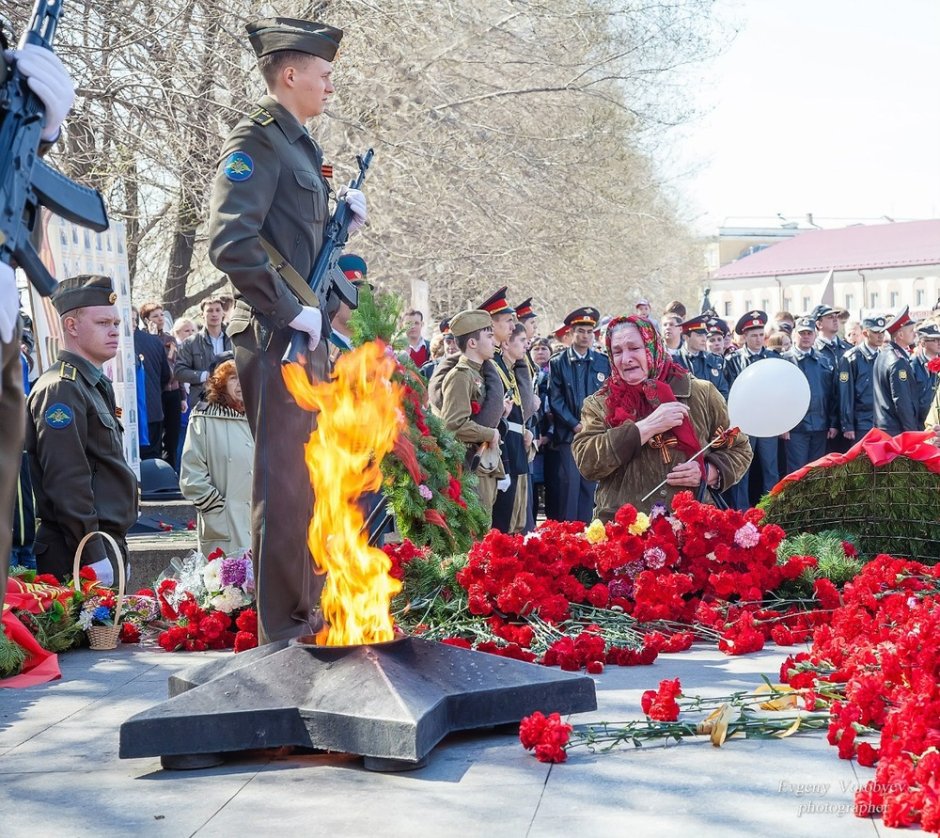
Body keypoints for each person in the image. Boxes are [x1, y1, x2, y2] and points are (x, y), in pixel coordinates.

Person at [206, 16, 367, 644]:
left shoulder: (301, 146)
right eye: (324, 74)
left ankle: (307, 613)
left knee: (311, 480)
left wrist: (340, 227)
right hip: (277, 338)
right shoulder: (259, 141)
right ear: (291, 73)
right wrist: (285, 310)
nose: (330, 85)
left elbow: (290, 247)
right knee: (283, 483)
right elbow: (230, 242)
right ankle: (284, 631)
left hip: (305, 335)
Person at [572, 316, 751, 519]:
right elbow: (587, 462)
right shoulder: (600, 403)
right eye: (617, 351)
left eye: (634, 348)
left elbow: (740, 448)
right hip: (624, 530)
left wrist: (709, 472)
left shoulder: (700, 392)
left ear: (652, 347)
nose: (626, 359)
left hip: (691, 527)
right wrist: (645, 428)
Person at [25, 276, 138, 583]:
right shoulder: (62, 389)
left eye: (116, 322)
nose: (114, 330)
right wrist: (93, 556)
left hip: (103, 541)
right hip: (76, 549)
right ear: (72, 326)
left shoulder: (92, 384)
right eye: (103, 322)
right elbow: (67, 481)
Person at [433, 310, 507, 524]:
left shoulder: (478, 374)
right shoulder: (460, 377)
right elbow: (453, 425)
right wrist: (489, 432)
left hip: (480, 467)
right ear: (472, 343)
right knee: (475, 534)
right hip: (467, 467)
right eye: (489, 336)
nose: (494, 342)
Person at [179, 358, 253, 557]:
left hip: (260, 524)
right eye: (233, 378)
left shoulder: (261, 419)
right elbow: (191, 476)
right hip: (224, 526)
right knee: (227, 585)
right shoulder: (203, 418)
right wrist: (217, 511)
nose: (240, 383)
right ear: (221, 383)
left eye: (245, 377)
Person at [548, 306, 611, 522]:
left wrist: (596, 425)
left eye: (589, 332)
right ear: (571, 333)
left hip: (595, 435)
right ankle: (568, 538)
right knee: (570, 486)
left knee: (590, 487)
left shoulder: (603, 361)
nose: (585, 336)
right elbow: (555, 399)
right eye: (580, 331)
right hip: (570, 435)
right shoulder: (558, 362)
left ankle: (587, 535)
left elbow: (608, 397)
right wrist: (574, 424)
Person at [724, 310, 784, 507]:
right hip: (745, 423)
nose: (758, 340)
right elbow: (731, 392)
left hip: (768, 422)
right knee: (742, 469)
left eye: (761, 335)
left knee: (770, 469)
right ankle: (740, 513)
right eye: (753, 336)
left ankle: (770, 511)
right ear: (744, 337)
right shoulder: (733, 360)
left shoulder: (773, 358)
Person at [491, 323, 535, 533]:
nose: (526, 346)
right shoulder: (495, 367)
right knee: (504, 518)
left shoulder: (511, 368)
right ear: (506, 343)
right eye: (522, 341)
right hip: (505, 447)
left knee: (517, 518)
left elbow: (522, 410)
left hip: (517, 445)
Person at [781, 317, 838, 471]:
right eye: (802, 333)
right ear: (794, 335)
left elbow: (832, 394)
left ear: (815, 335)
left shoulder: (824, 360)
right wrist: (783, 425)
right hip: (796, 427)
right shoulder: (784, 360)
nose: (806, 336)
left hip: (820, 425)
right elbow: (779, 397)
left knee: (816, 471)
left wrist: (833, 423)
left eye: (809, 333)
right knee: (796, 471)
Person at [141, 301, 184, 471]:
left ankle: (172, 472)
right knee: (157, 434)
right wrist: (153, 338)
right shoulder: (145, 339)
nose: (160, 319)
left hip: (172, 391)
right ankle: (156, 472)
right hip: (156, 393)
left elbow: (176, 366)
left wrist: (182, 396)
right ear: (146, 320)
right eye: (155, 316)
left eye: (161, 315)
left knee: (172, 435)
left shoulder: (169, 338)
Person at [175, 297, 232, 410]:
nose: (214, 314)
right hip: (202, 400)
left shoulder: (235, 339)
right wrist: (204, 376)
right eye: (210, 311)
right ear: (202, 315)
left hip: (231, 398)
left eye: (217, 310)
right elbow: (179, 371)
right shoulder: (191, 342)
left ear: (223, 313)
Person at [873, 306, 920, 435]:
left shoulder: (884, 354)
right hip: (896, 429)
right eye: (911, 331)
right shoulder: (898, 361)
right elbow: (902, 400)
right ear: (900, 334)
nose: (914, 334)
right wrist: (912, 433)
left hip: (884, 426)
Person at [838, 315, 885, 442]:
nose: (880, 336)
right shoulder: (851, 357)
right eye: (876, 332)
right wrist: (847, 425)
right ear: (865, 333)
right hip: (861, 422)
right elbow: (845, 394)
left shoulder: (885, 357)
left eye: (882, 332)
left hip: (882, 421)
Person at [132, 306, 171, 460]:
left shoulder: (114, 342)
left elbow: (165, 376)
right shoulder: (154, 342)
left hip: (138, 412)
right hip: (152, 410)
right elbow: (165, 375)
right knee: (152, 459)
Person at [676, 314, 729, 399]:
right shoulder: (675, 360)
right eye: (699, 335)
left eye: (705, 335)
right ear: (686, 337)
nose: (704, 339)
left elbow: (723, 390)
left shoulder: (714, 359)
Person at [911, 321, 940, 428]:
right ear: (923, 343)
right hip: (919, 424)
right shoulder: (913, 365)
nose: (939, 343)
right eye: (935, 340)